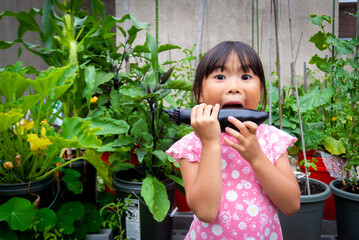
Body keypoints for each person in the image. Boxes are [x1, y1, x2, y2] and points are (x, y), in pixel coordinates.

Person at [166, 41, 300, 239]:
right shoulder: (192, 145)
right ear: (200, 94)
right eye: (220, 77)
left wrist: (256, 157)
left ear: (261, 90)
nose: (234, 87)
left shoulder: (271, 139)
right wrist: (210, 143)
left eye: (245, 77)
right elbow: (205, 212)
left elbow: (291, 205)